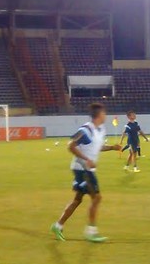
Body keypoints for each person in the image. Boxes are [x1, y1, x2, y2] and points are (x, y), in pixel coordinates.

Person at [50, 103, 121, 243]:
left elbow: (97, 147)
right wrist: (86, 159)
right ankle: (91, 232)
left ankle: (57, 226)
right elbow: (71, 145)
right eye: (104, 113)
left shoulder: (100, 130)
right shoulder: (86, 129)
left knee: (78, 199)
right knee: (97, 198)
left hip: (86, 168)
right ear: (99, 115)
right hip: (82, 168)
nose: (105, 115)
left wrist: (112, 147)